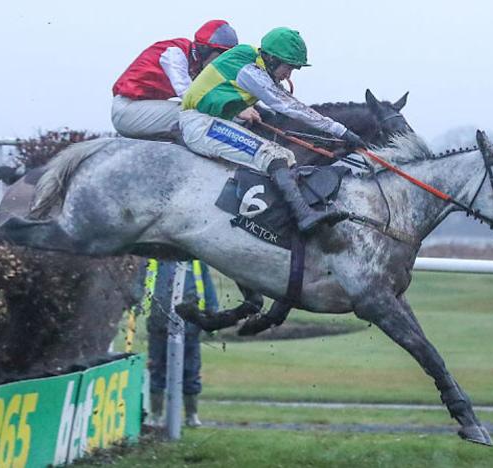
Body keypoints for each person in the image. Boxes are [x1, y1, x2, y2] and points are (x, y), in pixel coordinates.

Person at [180, 27, 368, 233]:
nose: (288, 74)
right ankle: (303, 216)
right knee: (272, 154)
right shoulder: (250, 71)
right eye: (288, 67)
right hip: (200, 124)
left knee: (286, 155)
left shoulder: (254, 61)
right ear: (271, 59)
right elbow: (290, 107)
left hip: (210, 121)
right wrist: (341, 131)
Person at [111, 20, 238, 140]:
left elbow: (221, 90)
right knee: (193, 114)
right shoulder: (175, 52)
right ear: (205, 50)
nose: (222, 63)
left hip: (143, 110)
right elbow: (190, 96)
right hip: (127, 110)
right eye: (221, 56)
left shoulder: (197, 65)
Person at [137, 259, 219, 428]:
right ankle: (156, 415)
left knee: (190, 370)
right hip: (159, 325)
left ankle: (191, 415)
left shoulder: (196, 263)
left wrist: (213, 318)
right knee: (157, 369)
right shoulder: (153, 262)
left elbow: (208, 290)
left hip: (190, 327)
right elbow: (140, 286)